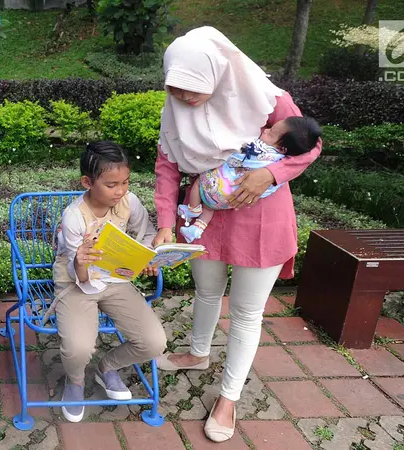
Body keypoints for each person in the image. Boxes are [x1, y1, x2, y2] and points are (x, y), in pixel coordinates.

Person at [152, 27, 322, 443]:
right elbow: (167, 166)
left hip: (260, 213)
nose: (186, 99)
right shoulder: (173, 111)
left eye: (193, 89)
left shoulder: (264, 95)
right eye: (176, 89)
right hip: (203, 215)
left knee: (247, 312)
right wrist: (162, 223)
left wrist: (270, 172)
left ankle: (228, 398)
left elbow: (311, 144)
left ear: (216, 72)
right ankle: (197, 352)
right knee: (206, 292)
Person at [53, 141, 166, 423]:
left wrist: (149, 257)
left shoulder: (130, 202)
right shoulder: (74, 216)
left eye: (125, 182)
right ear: (88, 182)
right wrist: (81, 261)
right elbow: (76, 269)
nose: (121, 191)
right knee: (78, 349)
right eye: (112, 184)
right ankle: (75, 381)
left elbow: (146, 234)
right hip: (75, 281)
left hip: (115, 279)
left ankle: (107, 367)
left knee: (154, 343)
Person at [177, 116, 322, 242]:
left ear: (283, 148)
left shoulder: (260, 148)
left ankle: (193, 209)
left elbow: (237, 157)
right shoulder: (281, 159)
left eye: (270, 133)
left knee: (199, 182)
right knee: (210, 207)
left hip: (219, 186)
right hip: (232, 199)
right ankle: (196, 229)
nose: (265, 130)